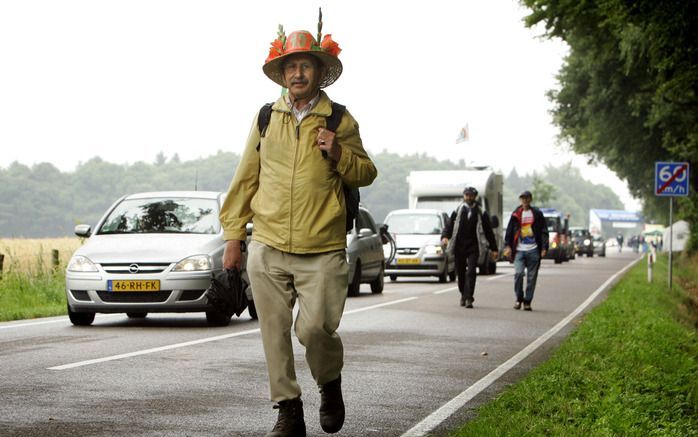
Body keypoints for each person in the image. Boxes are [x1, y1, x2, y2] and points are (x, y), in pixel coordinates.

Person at [219, 20, 377, 437]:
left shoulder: (339, 119)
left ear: (318, 72)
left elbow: (366, 173)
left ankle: (329, 383)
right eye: (291, 67)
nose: (298, 74)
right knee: (273, 331)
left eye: (305, 66)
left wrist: (338, 151)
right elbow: (245, 178)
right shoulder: (267, 117)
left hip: (322, 246)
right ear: (283, 73)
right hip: (268, 245)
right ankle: (288, 410)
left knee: (313, 329)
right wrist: (234, 236)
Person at [441, 187, 498, 308]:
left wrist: (494, 248)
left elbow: (488, 231)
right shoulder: (458, 210)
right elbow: (449, 225)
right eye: (467, 195)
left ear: (475, 197)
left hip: (474, 246)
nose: (469, 197)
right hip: (459, 245)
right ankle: (463, 294)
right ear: (464, 196)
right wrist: (445, 236)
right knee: (460, 273)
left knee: (471, 272)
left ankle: (469, 298)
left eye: (471, 195)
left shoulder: (480, 212)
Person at [502, 190, 548, 311]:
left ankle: (527, 301)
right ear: (520, 200)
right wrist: (507, 245)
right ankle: (519, 298)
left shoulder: (537, 214)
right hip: (519, 250)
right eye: (523, 198)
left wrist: (544, 247)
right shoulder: (516, 214)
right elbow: (509, 231)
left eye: (527, 198)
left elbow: (544, 231)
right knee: (518, 274)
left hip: (533, 249)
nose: (525, 200)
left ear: (530, 200)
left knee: (532, 278)